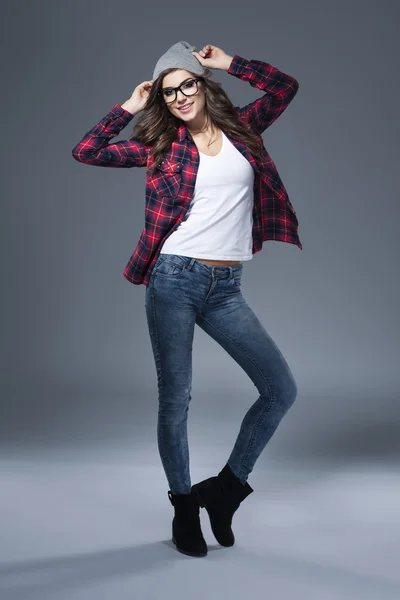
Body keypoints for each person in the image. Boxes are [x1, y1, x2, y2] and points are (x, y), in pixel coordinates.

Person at [72, 41, 302, 558]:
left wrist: (229, 62)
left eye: (187, 84)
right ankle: (183, 506)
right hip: (173, 278)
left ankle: (225, 490)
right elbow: (86, 151)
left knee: (280, 389)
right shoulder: (162, 146)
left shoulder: (244, 129)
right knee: (176, 401)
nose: (179, 97)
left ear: (202, 85)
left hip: (226, 288)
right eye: (169, 90)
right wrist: (129, 106)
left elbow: (285, 87)